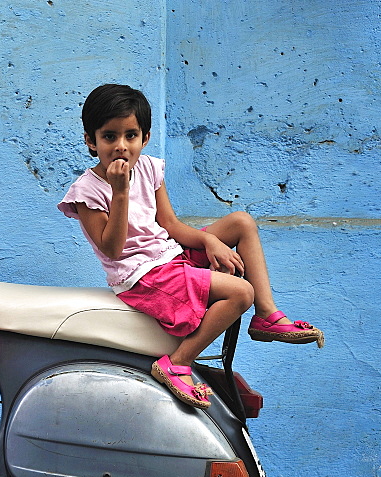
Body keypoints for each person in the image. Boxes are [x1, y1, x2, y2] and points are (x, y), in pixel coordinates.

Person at [59, 84, 323, 410]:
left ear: (145, 138)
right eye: (109, 136)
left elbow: (170, 226)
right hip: (141, 276)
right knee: (241, 292)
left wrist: (210, 240)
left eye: (131, 135)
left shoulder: (150, 168)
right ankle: (177, 363)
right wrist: (121, 193)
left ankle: (266, 316)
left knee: (241, 222)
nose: (121, 146)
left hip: (169, 255)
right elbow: (112, 250)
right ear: (91, 140)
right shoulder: (88, 191)